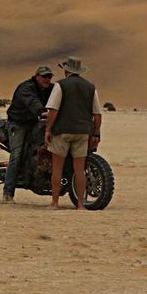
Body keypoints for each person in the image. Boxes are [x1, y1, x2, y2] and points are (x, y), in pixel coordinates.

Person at [44, 56, 101, 210]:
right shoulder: (90, 87)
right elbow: (97, 114)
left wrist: (48, 129)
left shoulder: (60, 85)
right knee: (79, 169)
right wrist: (96, 134)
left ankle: (55, 203)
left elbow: (53, 110)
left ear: (66, 70)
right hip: (83, 133)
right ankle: (81, 205)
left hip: (62, 131)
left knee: (57, 168)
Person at [1, 65, 54, 203]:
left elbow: (61, 97)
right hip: (18, 124)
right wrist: (41, 111)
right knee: (17, 155)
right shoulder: (26, 87)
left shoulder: (50, 89)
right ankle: (7, 193)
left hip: (34, 124)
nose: (47, 79)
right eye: (44, 76)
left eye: (49, 77)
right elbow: (31, 101)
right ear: (36, 76)